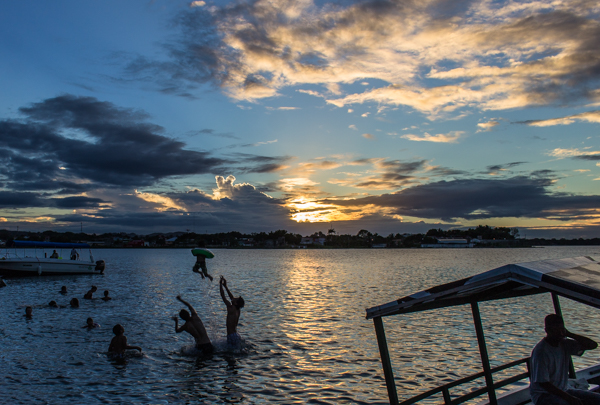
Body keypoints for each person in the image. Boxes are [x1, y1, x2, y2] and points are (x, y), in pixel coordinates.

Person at [529, 314, 600, 405]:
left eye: (561, 330)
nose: (560, 334)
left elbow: (592, 345)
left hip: (564, 390)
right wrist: (570, 398)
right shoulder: (542, 351)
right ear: (547, 331)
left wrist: (569, 334)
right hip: (543, 395)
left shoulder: (564, 344)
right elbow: (544, 383)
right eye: (555, 330)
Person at [220, 276, 245, 347]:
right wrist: (225, 286)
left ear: (236, 303)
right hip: (236, 335)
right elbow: (231, 297)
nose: (234, 298)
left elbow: (223, 296)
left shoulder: (231, 308)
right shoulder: (238, 310)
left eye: (236, 298)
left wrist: (220, 285)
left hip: (231, 336)